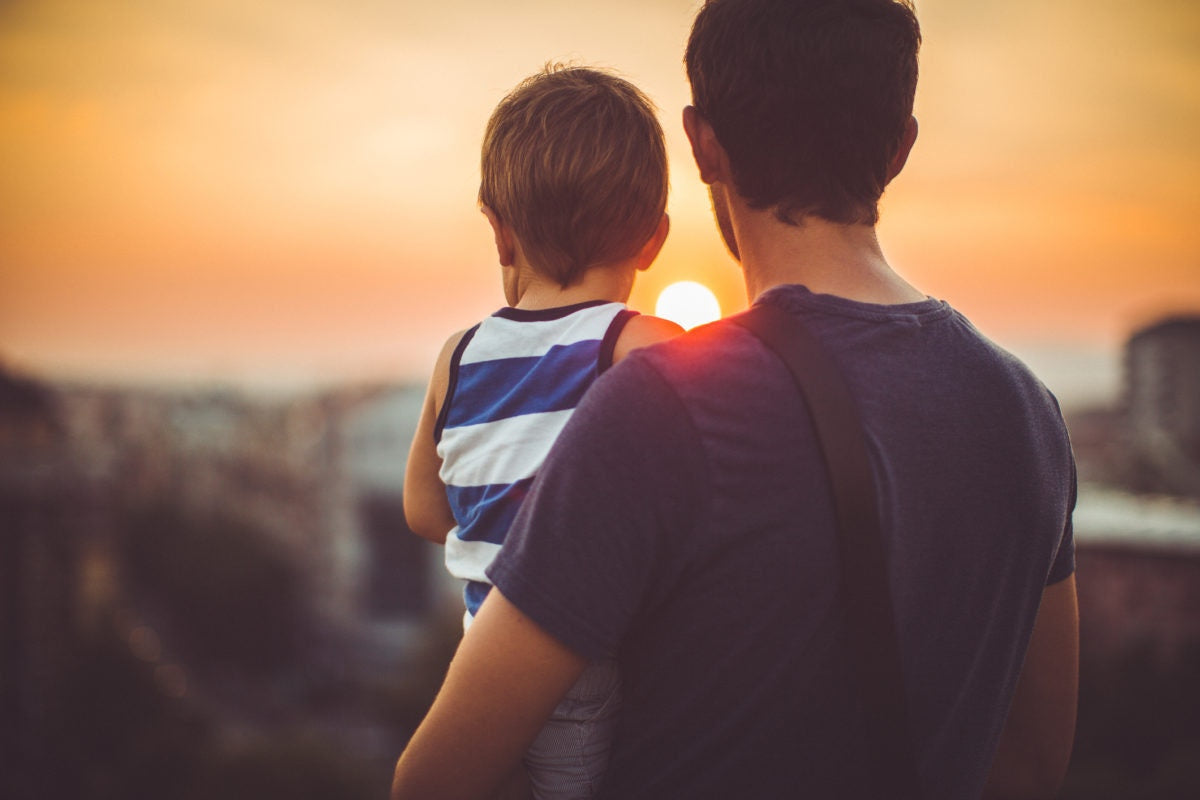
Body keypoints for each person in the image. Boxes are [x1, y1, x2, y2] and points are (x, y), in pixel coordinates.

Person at [392, 1, 1079, 798]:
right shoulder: (1028, 415)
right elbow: (1033, 764)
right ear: (900, 147)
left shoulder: (663, 401)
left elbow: (431, 782)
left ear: (702, 143)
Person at [401, 65, 683, 799]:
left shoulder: (458, 357)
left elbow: (424, 511)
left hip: (481, 653)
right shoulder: (641, 347)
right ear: (653, 239)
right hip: (584, 658)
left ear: (499, 232)